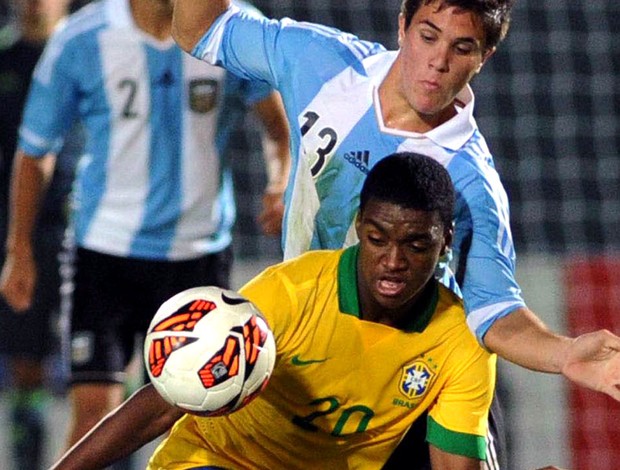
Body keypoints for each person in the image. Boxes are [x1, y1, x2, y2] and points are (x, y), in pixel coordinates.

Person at [169, 0, 620, 467]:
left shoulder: (470, 184)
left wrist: (564, 354)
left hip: (415, 387)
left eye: (461, 48)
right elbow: (200, 28)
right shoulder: (323, 64)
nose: (439, 61)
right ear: (402, 27)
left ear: (483, 58)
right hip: (315, 343)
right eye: (429, 36)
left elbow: (495, 311)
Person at [50, 151, 497, 470]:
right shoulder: (292, 293)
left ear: (445, 241)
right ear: (360, 226)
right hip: (216, 461)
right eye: (379, 239)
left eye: (416, 245)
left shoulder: (462, 341)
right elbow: (166, 402)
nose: (394, 261)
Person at [0, 0, 291, 458]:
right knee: (95, 411)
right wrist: (19, 250)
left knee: (203, 416)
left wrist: (279, 179)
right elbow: (35, 151)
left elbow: (278, 128)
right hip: (103, 251)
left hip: (198, 253)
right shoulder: (81, 38)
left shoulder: (234, 27)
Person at [0, 0, 79, 468]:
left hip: (93, 227)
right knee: (26, 362)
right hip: (19, 231)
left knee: (111, 363)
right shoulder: (7, 59)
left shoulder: (91, 51)